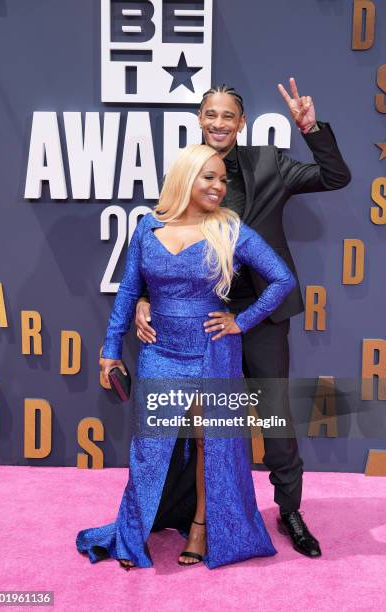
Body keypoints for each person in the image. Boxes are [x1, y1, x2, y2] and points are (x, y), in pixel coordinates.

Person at [135, 79, 352, 558]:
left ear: (241, 122)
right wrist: (143, 299)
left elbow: (335, 177)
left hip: (263, 316)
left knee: (273, 415)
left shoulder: (270, 163)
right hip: (200, 322)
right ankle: (194, 514)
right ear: (199, 119)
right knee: (203, 425)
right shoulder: (187, 169)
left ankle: (289, 510)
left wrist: (311, 128)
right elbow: (166, 240)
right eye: (210, 114)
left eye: (227, 115)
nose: (218, 123)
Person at [76, 144, 296, 570]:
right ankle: (133, 532)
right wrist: (109, 349)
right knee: (149, 444)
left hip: (212, 352)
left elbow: (281, 278)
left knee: (207, 442)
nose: (218, 186)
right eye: (208, 177)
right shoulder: (148, 226)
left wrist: (241, 321)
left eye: (222, 179)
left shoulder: (230, 229)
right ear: (185, 177)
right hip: (160, 349)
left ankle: (200, 528)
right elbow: (127, 291)